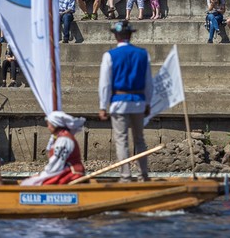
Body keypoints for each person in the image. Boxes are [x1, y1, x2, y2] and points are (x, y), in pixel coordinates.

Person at [98, 21, 154, 182]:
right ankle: (143, 174)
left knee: (121, 140)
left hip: (119, 101)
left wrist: (103, 106)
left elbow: (105, 83)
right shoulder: (143, 54)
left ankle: (125, 176)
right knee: (139, 139)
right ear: (130, 35)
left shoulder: (110, 55)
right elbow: (148, 82)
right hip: (138, 101)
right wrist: (148, 102)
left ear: (116, 36)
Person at [22, 111, 87, 186]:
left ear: (55, 125)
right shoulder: (61, 137)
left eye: (49, 124)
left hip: (71, 175)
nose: (48, 127)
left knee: (28, 183)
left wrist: (42, 175)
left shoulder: (64, 140)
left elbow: (57, 163)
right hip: (65, 172)